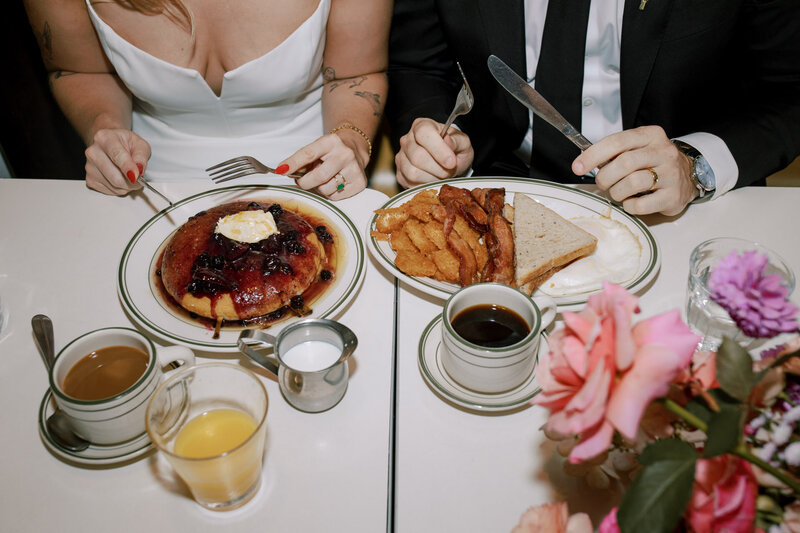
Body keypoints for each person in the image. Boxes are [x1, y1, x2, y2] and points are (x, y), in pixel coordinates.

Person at [387, 0, 800, 216]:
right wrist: (432, 139)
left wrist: (695, 167)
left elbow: (788, 92)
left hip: (677, 205)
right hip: (495, 183)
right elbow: (419, 65)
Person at [23, 0, 390, 199]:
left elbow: (354, 74)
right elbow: (79, 70)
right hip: (145, 189)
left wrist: (350, 141)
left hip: (312, 177)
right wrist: (105, 130)